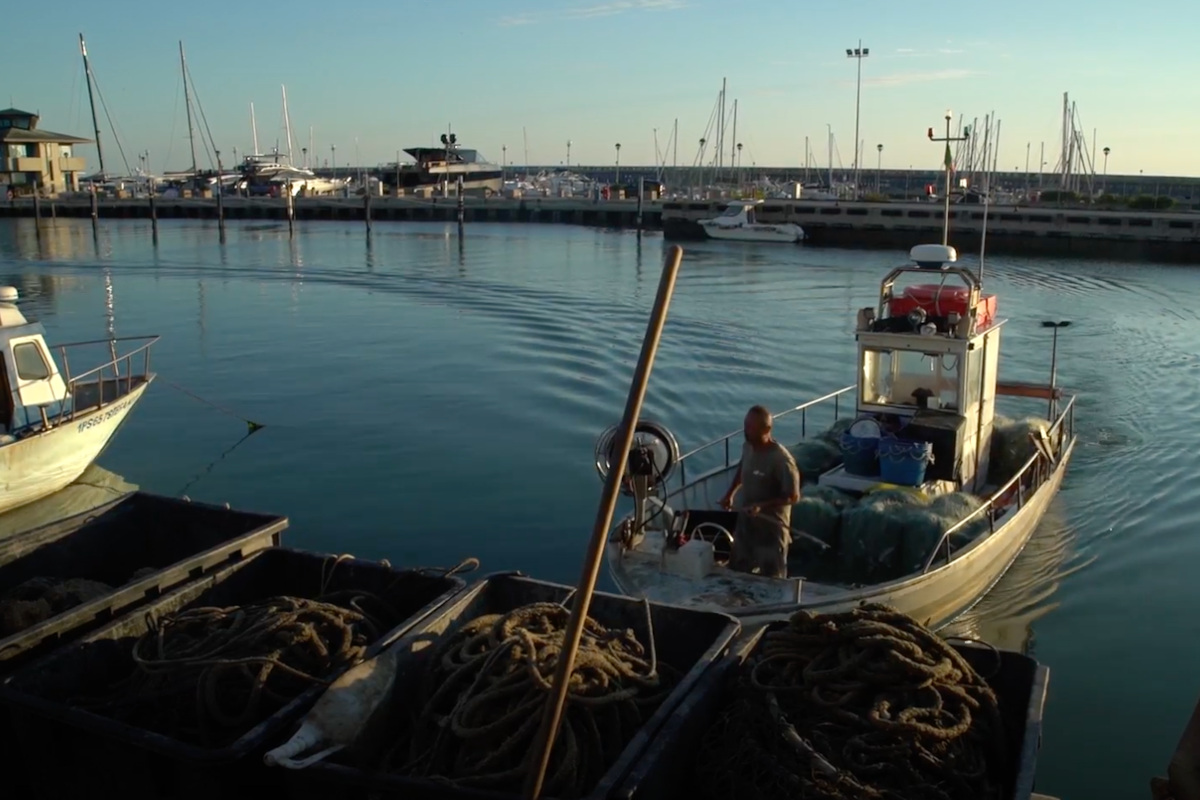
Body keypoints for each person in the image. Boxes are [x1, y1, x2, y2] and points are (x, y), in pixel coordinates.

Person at [717, 405, 802, 579]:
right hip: (746, 528)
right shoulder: (748, 446)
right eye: (746, 426)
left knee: (773, 581)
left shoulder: (782, 460)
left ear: (767, 429)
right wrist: (729, 494)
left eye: (752, 428)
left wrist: (761, 506)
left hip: (771, 533)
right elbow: (743, 468)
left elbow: (793, 496)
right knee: (736, 574)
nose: (747, 431)